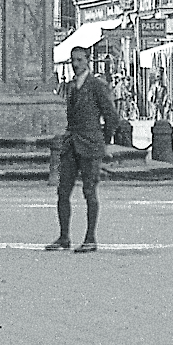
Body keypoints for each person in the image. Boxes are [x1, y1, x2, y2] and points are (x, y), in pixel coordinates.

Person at [46, 47, 116, 253]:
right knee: (62, 191)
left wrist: (103, 142)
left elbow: (111, 117)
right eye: (73, 60)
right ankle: (64, 237)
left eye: (79, 60)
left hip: (90, 145)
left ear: (87, 61)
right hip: (71, 145)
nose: (75, 64)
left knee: (89, 191)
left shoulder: (97, 86)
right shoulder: (69, 87)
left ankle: (90, 238)